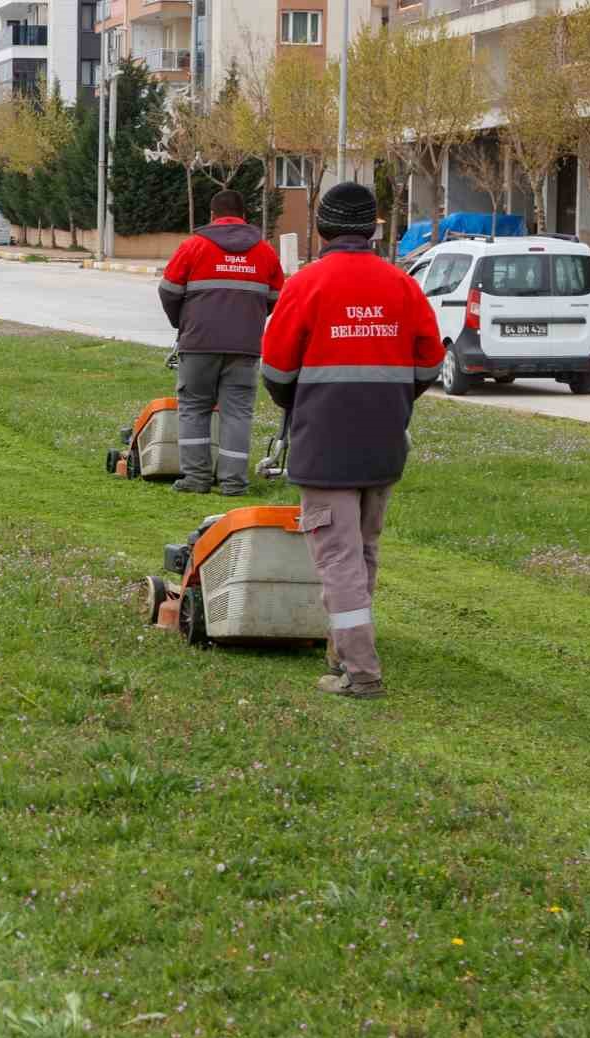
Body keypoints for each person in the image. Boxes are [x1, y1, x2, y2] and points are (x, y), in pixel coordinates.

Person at [260, 182, 444, 699]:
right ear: (373, 228)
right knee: (362, 551)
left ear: (322, 227)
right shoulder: (402, 284)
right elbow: (429, 362)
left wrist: (295, 403)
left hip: (325, 444)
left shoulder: (307, 284)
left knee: (338, 557)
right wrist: (393, 399)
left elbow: (276, 367)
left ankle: (360, 672)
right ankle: (342, 648)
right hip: (383, 441)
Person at [158, 189, 285, 495]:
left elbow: (168, 291)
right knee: (238, 412)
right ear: (244, 217)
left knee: (194, 407)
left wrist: (182, 323)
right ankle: (233, 482)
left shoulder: (193, 247)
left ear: (212, 216)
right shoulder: (265, 252)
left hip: (198, 342)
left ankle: (196, 478)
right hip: (245, 346)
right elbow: (277, 298)